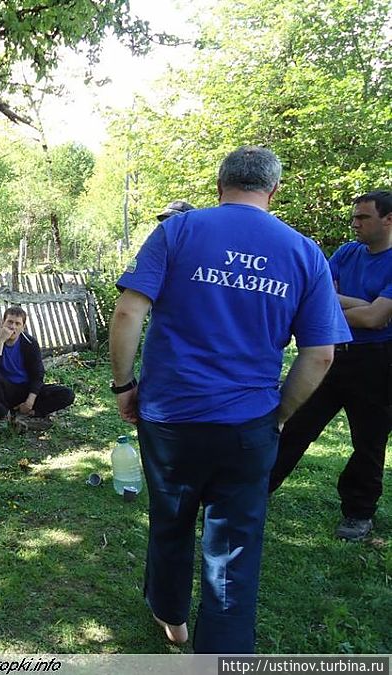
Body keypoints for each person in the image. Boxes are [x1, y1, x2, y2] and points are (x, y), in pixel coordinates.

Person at [109, 146, 350, 653]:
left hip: (171, 419)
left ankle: (171, 618)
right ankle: (222, 657)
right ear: (273, 191)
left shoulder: (178, 231)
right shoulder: (305, 253)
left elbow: (130, 312)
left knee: (170, 520)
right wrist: (279, 415)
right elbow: (321, 355)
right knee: (234, 548)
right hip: (248, 424)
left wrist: (123, 385)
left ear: (219, 186)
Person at [269, 190, 392, 541]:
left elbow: (375, 319)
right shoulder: (346, 252)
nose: (354, 224)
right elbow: (320, 298)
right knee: (292, 423)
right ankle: (254, 490)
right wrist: (364, 305)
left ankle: (358, 514)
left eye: (363, 218)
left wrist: (349, 309)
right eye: (354, 217)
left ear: (388, 219)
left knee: (368, 441)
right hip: (331, 354)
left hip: (378, 362)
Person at [0, 306, 75, 432]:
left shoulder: (29, 343)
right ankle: (4, 417)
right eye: (9, 322)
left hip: (27, 388)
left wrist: (30, 401)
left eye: (17, 323)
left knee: (67, 394)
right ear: (2, 322)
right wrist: (0, 340)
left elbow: (38, 374)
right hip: (6, 389)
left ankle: (30, 414)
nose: (12, 327)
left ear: (23, 327)